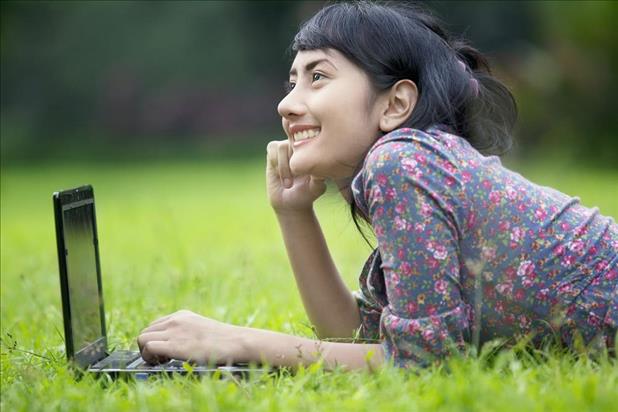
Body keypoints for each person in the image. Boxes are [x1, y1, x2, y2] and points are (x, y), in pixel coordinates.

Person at [137, 2, 617, 370]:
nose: (287, 104)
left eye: (317, 77)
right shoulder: (407, 168)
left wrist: (239, 341)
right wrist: (294, 214)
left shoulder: (400, 163)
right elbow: (357, 339)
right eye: (292, 82)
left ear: (395, 104)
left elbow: (421, 363)